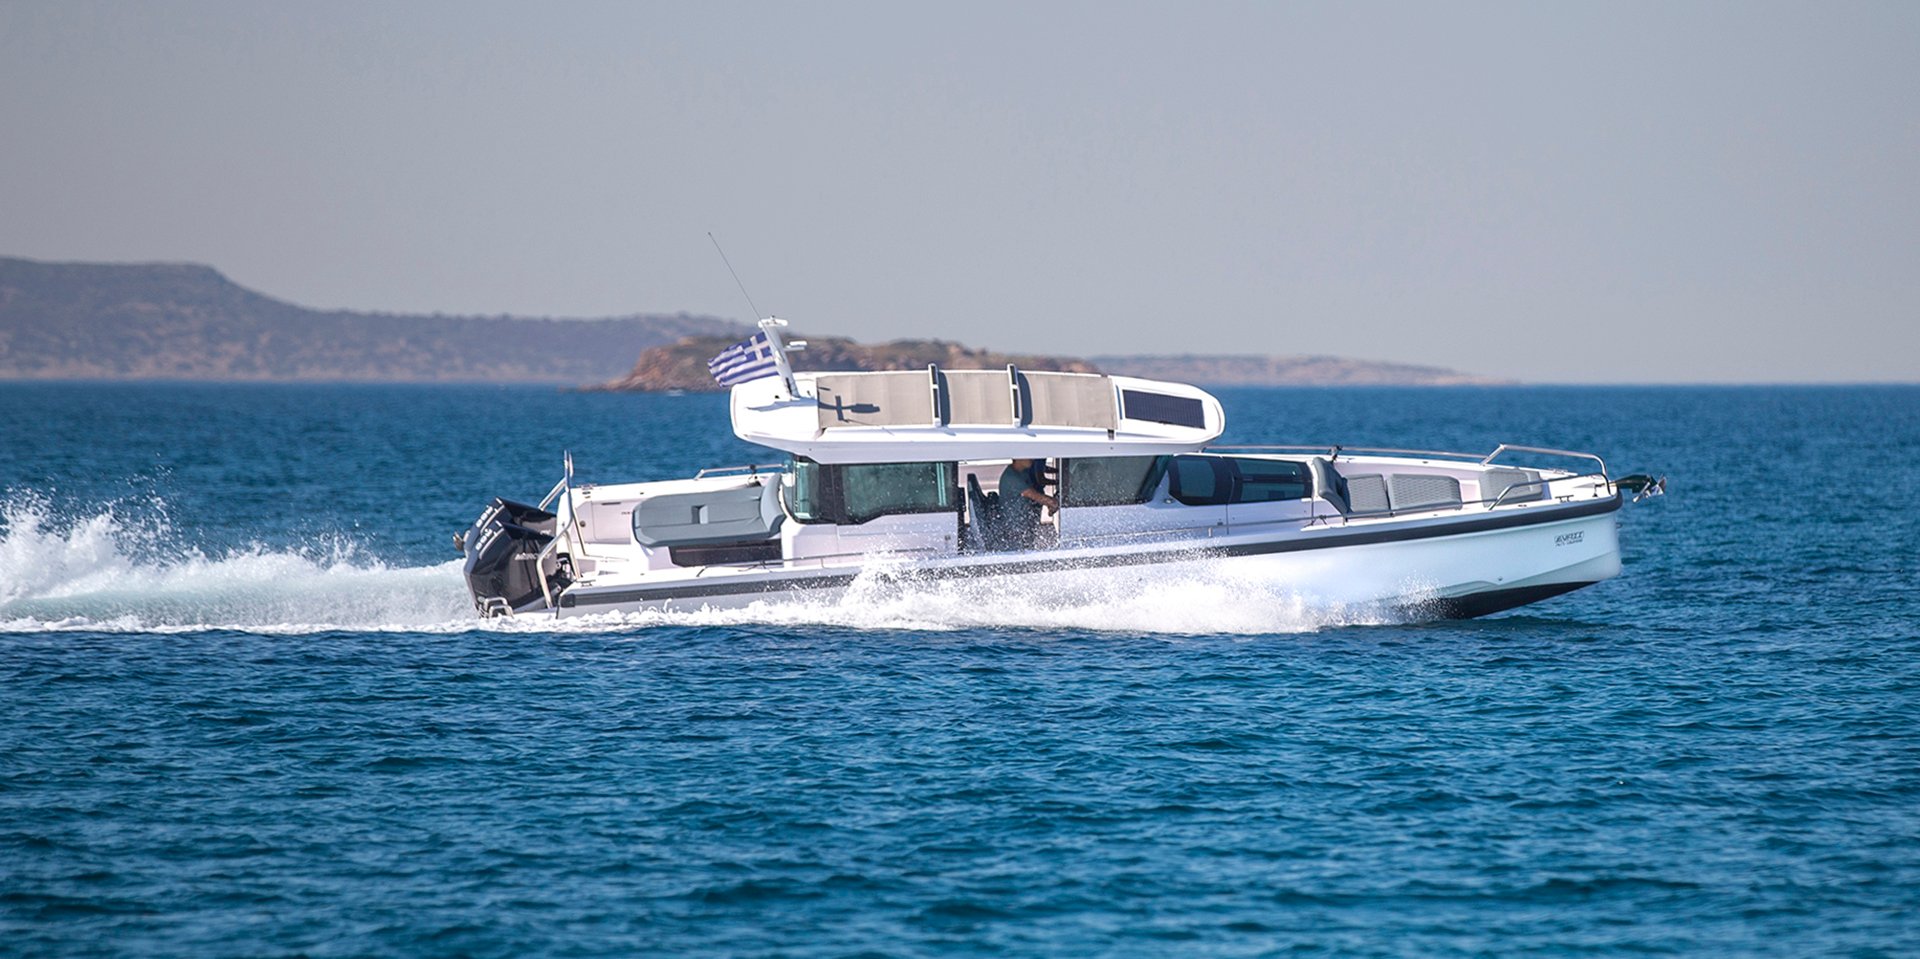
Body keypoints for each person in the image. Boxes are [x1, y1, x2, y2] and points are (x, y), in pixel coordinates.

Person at [997, 458, 1056, 547]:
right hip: (1015, 528)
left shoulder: (1022, 472)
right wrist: (1052, 502)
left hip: (1024, 522)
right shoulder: (1012, 477)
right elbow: (1034, 495)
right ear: (1017, 458)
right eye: (1028, 456)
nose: (1032, 459)